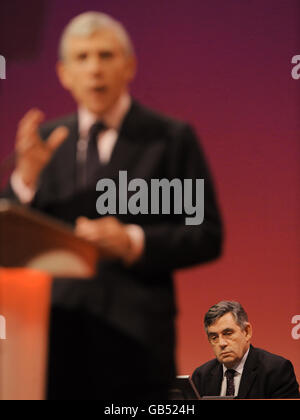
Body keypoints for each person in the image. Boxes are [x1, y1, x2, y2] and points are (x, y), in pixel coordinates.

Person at [1, 12, 223, 399]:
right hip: (56, 337)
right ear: (64, 73)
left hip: (136, 341)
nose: (95, 69)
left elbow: (205, 234)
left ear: (129, 66)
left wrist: (133, 241)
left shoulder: (169, 138)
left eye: (106, 55)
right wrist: (26, 180)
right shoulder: (45, 142)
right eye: (82, 58)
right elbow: (7, 235)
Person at [192, 301, 300, 399]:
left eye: (228, 334)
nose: (222, 343)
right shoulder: (201, 376)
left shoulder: (276, 371)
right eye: (214, 337)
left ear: (247, 332)